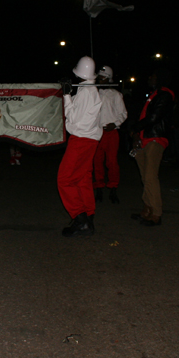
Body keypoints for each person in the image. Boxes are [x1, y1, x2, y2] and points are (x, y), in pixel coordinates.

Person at [58, 56, 103, 237]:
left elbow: (73, 118)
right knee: (83, 179)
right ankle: (88, 216)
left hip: (81, 140)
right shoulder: (91, 90)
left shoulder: (86, 92)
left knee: (65, 179)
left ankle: (80, 218)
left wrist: (66, 95)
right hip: (90, 140)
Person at [129, 68, 175, 226]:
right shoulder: (154, 94)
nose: (150, 78)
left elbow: (154, 117)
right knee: (145, 177)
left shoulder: (165, 95)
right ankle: (147, 208)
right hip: (145, 138)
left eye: (153, 76)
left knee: (150, 177)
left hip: (155, 138)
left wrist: (135, 128)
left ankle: (156, 213)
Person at [93, 65, 127, 204]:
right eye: (99, 78)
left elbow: (123, 113)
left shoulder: (116, 95)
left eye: (103, 78)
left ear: (109, 79)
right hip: (97, 132)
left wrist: (115, 123)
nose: (100, 80)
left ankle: (113, 188)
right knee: (97, 161)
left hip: (111, 133)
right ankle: (99, 188)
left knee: (112, 162)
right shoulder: (94, 93)